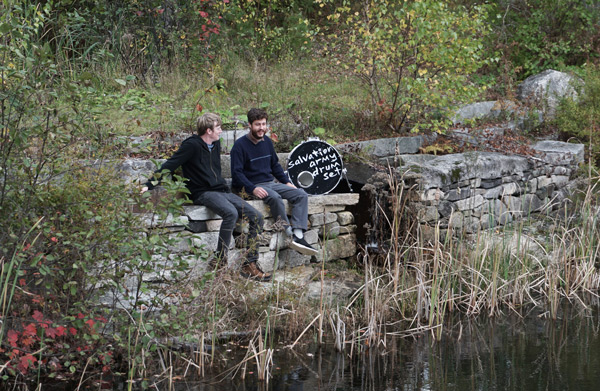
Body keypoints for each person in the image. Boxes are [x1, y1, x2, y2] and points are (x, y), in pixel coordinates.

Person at [140, 113, 271, 281]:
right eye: (218, 128)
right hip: (202, 192)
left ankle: (249, 264)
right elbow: (171, 164)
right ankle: (219, 262)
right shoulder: (192, 145)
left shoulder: (215, 144)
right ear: (208, 130)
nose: (221, 131)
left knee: (257, 216)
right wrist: (149, 184)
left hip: (220, 190)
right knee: (230, 213)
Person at [230, 108, 318, 256]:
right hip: (251, 186)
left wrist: (287, 182)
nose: (261, 128)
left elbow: (275, 166)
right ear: (250, 125)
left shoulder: (267, 142)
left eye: (264, 124)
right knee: (275, 198)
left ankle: (298, 236)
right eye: (258, 124)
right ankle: (287, 232)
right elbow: (236, 174)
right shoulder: (239, 146)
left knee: (301, 194)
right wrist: (252, 189)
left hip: (269, 182)